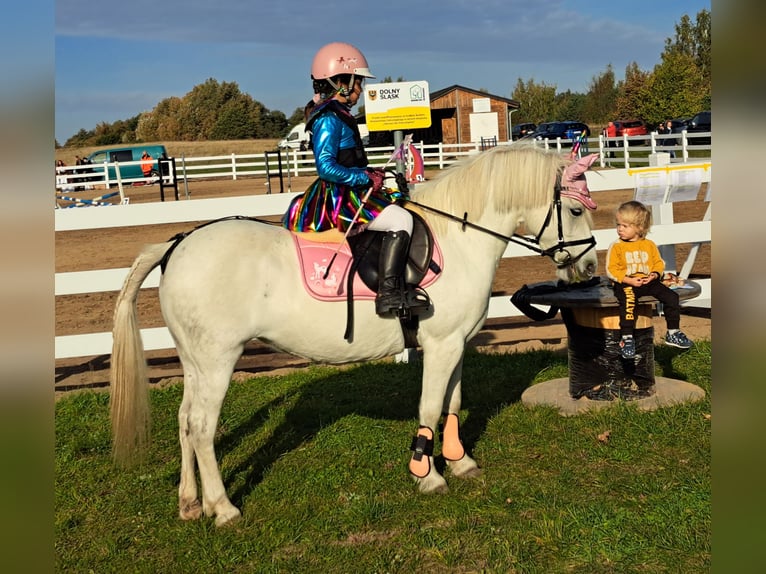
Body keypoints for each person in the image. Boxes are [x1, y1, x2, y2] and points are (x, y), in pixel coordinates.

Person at [282, 42, 428, 316]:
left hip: (350, 188)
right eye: (357, 82)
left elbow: (348, 160)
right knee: (401, 220)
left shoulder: (339, 114)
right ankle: (389, 294)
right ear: (341, 82)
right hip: (338, 198)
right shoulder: (328, 119)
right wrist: (364, 175)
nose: (360, 90)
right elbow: (326, 167)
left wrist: (372, 172)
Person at [606, 200, 693, 358]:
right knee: (628, 302)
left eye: (625, 226)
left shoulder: (649, 245)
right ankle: (626, 337)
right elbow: (611, 270)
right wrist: (628, 280)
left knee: (671, 297)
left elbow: (658, 263)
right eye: (618, 225)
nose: (619, 229)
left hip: (648, 281)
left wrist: (654, 274)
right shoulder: (617, 246)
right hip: (626, 282)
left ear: (639, 227)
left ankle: (673, 331)